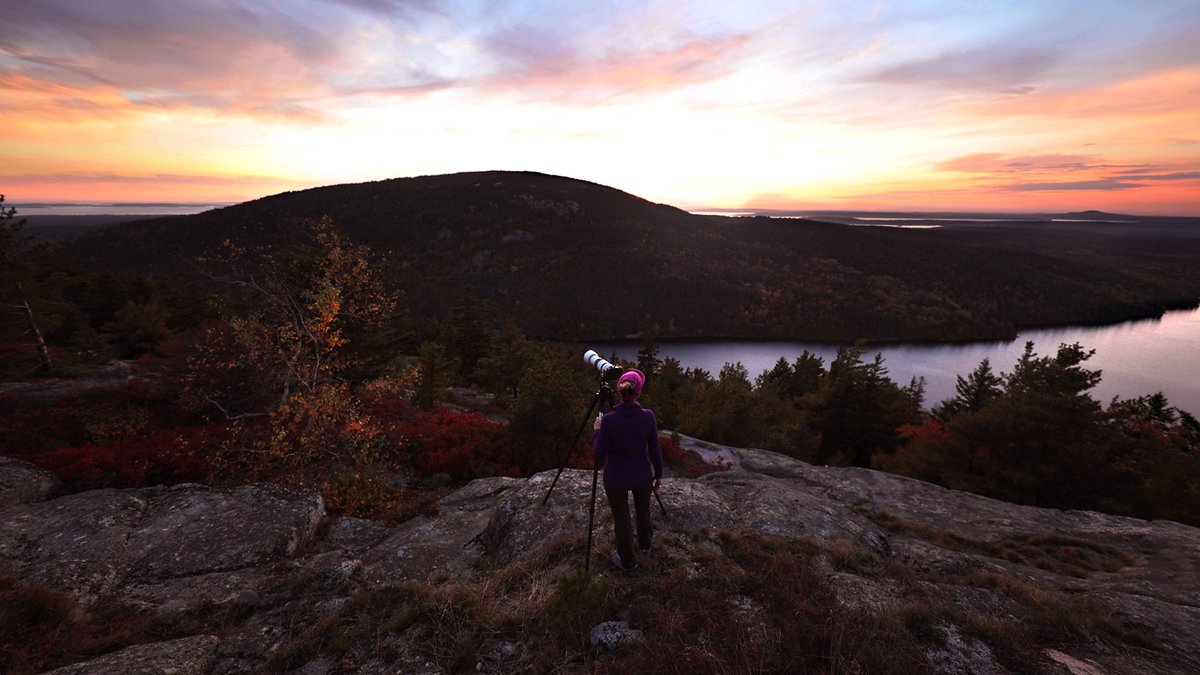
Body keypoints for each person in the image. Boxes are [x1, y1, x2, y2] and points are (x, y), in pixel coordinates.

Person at [593, 368, 663, 572]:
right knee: (643, 513)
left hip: (616, 478)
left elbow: (599, 454)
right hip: (642, 475)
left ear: (619, 390)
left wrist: (597, 432)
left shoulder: (608, 420)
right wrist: (658, 474)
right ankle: (646, 548)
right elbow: (655, 450)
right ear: (638, 392)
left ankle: (628, 563)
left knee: (622, 520)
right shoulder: (648, 416)